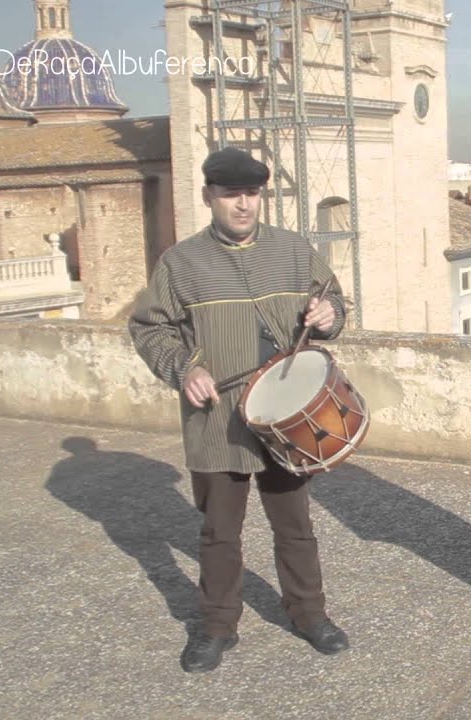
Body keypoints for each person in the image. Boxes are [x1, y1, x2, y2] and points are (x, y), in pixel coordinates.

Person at [129, 146, 351, 673]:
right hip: (217, 422)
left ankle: (309, 614)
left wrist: (327, 315)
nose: (243, 205)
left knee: (295, 526)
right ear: (209, 197)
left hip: (285, 418)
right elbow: (149, 328)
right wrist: (185, 369)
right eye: (231, 195)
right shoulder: (180, 263)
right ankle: (216, 627)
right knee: (218, 532)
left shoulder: (295, 252)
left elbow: (336, 302)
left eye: (251, 194)